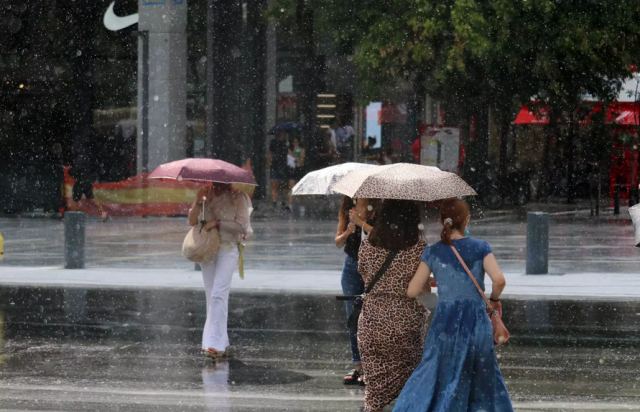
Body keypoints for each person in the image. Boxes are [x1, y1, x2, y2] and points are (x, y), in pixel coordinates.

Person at [393, 198, 512, 412]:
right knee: (480, 373)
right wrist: (493, 299)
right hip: (475, 321)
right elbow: (499, 280)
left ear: (442, 222)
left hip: (444, 323)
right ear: (466, 220)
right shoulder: (480, 247)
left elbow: (411, 290)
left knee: (436, 371)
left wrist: (438, 281)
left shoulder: (433, 251)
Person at [357, 199, 429, 412]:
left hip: (371, 322)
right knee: (409, 384)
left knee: (375, 390)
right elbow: (423, 292)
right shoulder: (419, 249)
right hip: (406, 322)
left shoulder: (367, 245)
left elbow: (363, 275)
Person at [188, 183, 253, 360]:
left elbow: (242, 226)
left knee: (218, 294)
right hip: (208, 249)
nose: (215, 185)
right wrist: (197, 201)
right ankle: (217, 341)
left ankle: (214, 344)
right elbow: (192, 221)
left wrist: (217, 223)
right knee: (212, 297)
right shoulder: (204, 195)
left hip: (227, 248)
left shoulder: (238, 197)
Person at [335, 196, 377, 386]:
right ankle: (358, 365)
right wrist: (348, 231)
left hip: (373, 267)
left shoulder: (376, 210)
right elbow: (337, 241)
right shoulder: (347, 210)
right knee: (353, 318)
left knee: (371, 317)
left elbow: (380, 236)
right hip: (351, 266)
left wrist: (362, 223)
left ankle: (372, 366)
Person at [267, 130, 289, 210]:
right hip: (278, 165)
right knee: (277, 185)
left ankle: (277, 201)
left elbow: (270, 153)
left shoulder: (284, 143)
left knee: (280, 185)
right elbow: (270, 153)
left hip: (280, 165)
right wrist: (269, 162)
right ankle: (276, 201)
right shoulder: (282, 143)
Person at [287, 137, 305, 210]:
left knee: (301, 188)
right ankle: (290, 204)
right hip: (292, 169)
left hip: (299, 169)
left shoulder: (301, 150)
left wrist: (295, 156)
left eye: (296, 142)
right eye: (294, 142)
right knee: (291, 188)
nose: (295, 144)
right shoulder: (290, 150)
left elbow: (301, 161)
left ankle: (301, 205)